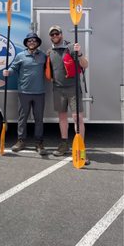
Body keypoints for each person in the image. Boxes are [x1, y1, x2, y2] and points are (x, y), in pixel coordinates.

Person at [47, 25, 90, 164]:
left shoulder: (71, 47)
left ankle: (81, 148)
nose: (55, 36)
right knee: (62, 117)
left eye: (57, 33)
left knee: (78, 118)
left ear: (61, 34)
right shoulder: (50, 51)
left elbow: (85, 65)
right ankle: (64, 144)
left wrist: (80, 53)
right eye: (52, 34)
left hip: (73, 89)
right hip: (58, 89)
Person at [3, 32, 47, 155]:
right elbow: (13, 68)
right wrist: (8, 72)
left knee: (39, 119)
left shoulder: (43, 56)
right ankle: (21, 141)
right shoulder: (20, 56)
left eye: (34, 40)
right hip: (24, 92)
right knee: (22, 118)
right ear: (26, 43)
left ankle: (39, 143)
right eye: (29, 40)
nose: (31, 42)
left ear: (37, 43)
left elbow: (49, 69)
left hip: (39, 93)